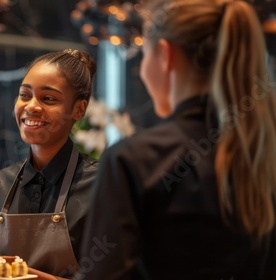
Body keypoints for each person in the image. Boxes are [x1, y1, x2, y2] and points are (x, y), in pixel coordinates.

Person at [74, 0, 276, 279]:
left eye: (144, 55)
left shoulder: (134, 161)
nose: (143, 71)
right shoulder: (263, 156)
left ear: (166, 56)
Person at [0, 49, 99, 280]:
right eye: (25, 95)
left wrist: (15, 271)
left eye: (48, 98)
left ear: (79, 109)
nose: (31, 106)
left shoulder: (101, 184)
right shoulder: (0, 183)